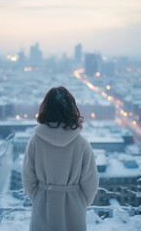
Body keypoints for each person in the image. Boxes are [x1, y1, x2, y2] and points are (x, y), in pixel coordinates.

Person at [22, 86, 99, 231]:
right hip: (73, 208)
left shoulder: (35, 141)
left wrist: (40, 197)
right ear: (72, 109)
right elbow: (91, 183)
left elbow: (28, 178)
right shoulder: (82, 144)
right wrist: (78, 202)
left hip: (43, 206)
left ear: (45, 109)